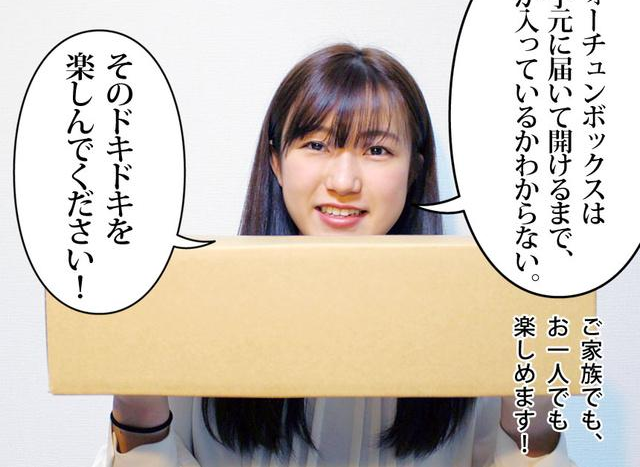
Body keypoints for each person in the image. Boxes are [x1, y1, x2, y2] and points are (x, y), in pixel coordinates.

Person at [92, 44, 575, 466]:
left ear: (414, 169)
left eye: (377, 150)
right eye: (317, 144)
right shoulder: (197, 311)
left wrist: (534, 414)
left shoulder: (475, 320)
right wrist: (136, 408)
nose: (344, 181)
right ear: (277, 161)